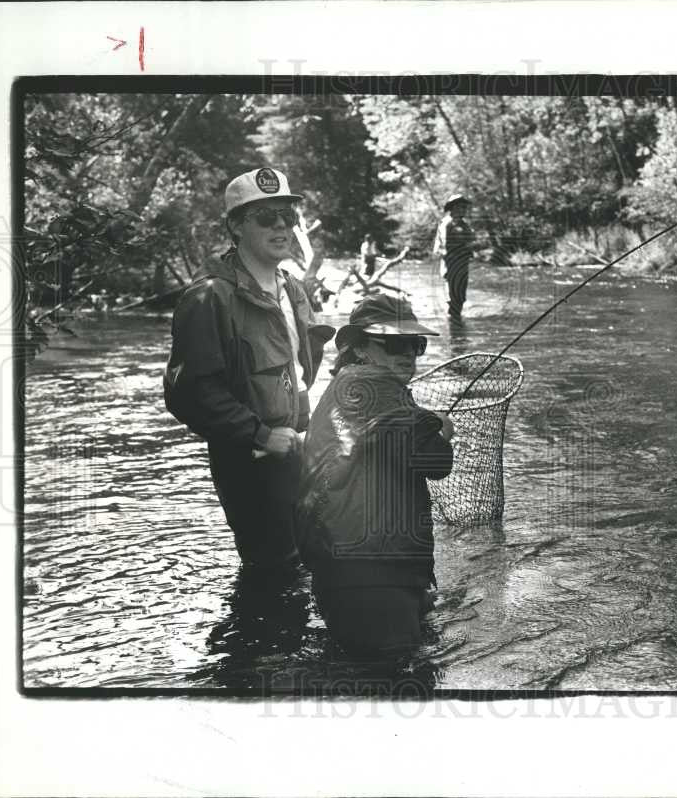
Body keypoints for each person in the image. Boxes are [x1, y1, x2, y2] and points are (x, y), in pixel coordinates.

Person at [164, 167, 336, 571]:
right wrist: (259, 434)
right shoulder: (209, 298)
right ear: (236, 227)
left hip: (298, 450)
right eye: (265, 217)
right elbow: (188, 392)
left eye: (288, 217)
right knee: (275, 573)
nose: (281, 226)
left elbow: (302, 369)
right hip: (250, 463)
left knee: (313, 560)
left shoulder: (293, 288)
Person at [295, 293, 455, 657]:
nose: (409, 355)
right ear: (360, 346)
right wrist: (441, 425)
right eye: (396, 344)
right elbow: (433, 460)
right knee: (391, 687)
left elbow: (391, 440)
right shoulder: (372, 385)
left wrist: (425, 420)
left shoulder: (352, 386)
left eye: (416, 344)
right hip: (370, 574)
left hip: (357, 569)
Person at [432, 194, 476, 321]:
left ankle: (456, 323)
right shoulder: (447, 223)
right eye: (461, 207)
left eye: (465, 207)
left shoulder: (463, 224)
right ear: (454, 207)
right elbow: (445, 245)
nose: (464, 209)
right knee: (454, 296)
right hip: (451, 264)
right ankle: (454, 327)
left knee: (460, 296)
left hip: (462, 263)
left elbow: (471, 239)